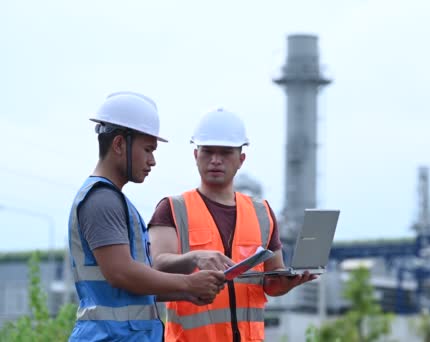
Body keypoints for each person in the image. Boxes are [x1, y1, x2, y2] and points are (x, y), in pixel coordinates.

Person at [68, 92, 230, 341]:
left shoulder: (115, 200)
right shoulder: (102, 199)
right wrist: (188, 284)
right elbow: (121, 273)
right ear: (120, 144)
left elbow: (129, 291)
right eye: (147, 149)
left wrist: (187, 291)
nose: (152, 161)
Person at [148, 108, 316, 342]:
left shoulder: (263, 213)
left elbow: (271, 283)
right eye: (208, 152)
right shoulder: (173, 209)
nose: (215, 160)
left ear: (241, 159)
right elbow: (156, 266)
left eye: (225, 153)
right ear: (196, 155)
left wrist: (288, 283)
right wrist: (195, 257)